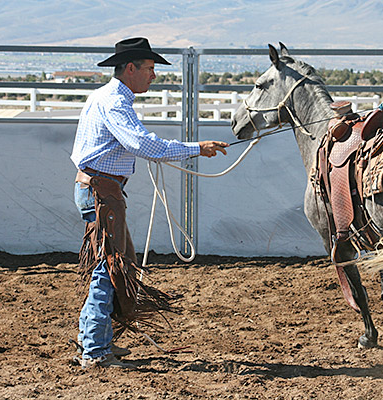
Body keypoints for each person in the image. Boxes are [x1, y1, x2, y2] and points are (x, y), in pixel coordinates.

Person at [71, 37, 228, 369]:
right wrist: (196, 148)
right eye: (150, 68)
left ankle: (94, 341)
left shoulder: (104, 97)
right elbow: (143, 144)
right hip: (102, 192)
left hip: (101, 190)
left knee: (112, 265)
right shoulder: (115, 102)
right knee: (109, 267)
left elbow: (139, 145)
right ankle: (95, 350)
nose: (153, 76)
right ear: (131, 68)